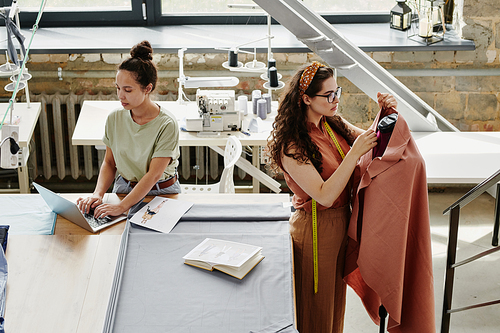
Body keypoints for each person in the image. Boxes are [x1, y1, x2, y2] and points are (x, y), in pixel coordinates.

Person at [266, 61, 397, 332]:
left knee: (335, 307)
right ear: (305, 99)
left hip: (342, 223)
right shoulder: (293, 144)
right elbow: (324, 195)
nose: (336, 100)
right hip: (315, 229)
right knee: (316, 310)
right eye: (329, 95)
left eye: (337, 92)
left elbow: (374, 142)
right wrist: (354, 153)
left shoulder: (331, 123)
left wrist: (387, 114)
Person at [77, 40, 180, 218]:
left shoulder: (167, 124)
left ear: (147, 88)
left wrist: (121, 207)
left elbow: (153, 175)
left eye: (128, 90)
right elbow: (109, 163)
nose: (120, 95)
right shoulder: (114, 118)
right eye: (118, 88)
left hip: (160, 192)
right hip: (124, 187)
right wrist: (97, 194)